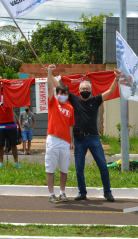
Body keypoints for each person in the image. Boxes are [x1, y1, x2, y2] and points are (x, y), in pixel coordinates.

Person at [51, 67, 121, 202]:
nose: (85, 91)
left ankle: (107, 192)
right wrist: (50, 74)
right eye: (82, 89)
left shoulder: (96, 100)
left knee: (103, 166)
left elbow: (111, 91)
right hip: (79, 139)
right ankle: (82, 192)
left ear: (91, 91)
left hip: (94, 138)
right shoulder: (74, 99)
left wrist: (116, 78)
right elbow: (58, 85)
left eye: (87, 89)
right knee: (79, 168)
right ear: (78, 91)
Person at [46, 65, 75, 203]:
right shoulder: (53, 103)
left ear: (68, 95)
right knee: (50, 168)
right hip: (52, 139)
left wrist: (71, 141)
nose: (62, 96)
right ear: (56, 94)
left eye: (65, 94)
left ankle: (62, 193)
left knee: (64, 169)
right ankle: (51, 194)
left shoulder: (70, 107)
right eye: (60, 93)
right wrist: (50, 72)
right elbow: (49, 86)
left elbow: (71, 126)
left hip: (65, 142)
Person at [0, 77, 21, 169]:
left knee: (13, 144)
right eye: (1, 86)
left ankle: (16, 162)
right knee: (0, 145)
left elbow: (12, 88)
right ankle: (1, 163)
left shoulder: (10, 95)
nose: (2, 87)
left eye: (3, 85)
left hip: (11, 123)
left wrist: (6, 82)